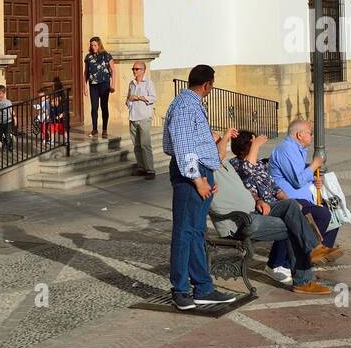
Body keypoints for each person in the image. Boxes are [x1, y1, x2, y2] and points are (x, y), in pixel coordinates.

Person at [211, 135, 331, 296]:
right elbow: (244, 168)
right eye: (216, 139)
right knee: (293, 224)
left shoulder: (225, 164)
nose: (221, 140)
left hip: (255, 210)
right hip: (240, 220)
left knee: (291, 206)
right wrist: (231, 138)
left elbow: (246, 189)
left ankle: (314, 249)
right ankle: (304, 279)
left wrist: (258, 200)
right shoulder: (209, 165)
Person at [162, 64, 238, 311]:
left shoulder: (192, 104)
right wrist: (198, 179)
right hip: (190, 176)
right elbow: (183, 147)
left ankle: (203, 288)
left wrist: (207, 175)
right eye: (212, 84)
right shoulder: (185, 106)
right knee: (184, 232)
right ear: (207, 84)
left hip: (201, 172)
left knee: (195, 232)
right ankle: (181, 289)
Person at [269, 118, 340, 252]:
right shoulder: (286, 149)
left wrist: (313, 179)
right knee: (321, 214)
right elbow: (298, 180)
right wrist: (315, 164)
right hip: (287, 199)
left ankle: (324, 248)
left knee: (332, 209)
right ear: (299, 134)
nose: (312, 136)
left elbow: (299, 175)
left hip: (303, 197)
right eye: (310, 133)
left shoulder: (297, 149)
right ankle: (310, 250)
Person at [125, 60, 157, 178]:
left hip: (144, 116)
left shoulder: (148, 83)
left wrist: (139, 97)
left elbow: (153, 98)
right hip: (133, 116)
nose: (134, 71)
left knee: (145, 144)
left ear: (143, 70)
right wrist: (130, 100)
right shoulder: (131, 83)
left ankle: (150, 170)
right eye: (133, 69)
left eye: (137, 69)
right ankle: (141, 167)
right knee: (137, 144)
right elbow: (128, 100)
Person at [84, 36, 115, 138]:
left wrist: (113, 84)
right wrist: (85, 86)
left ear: (99, 45)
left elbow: (113, 70)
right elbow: (86, 72)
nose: (93, 47)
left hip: (104, 84)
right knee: (94, 107)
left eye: (95, 45)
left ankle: (105, 129)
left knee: (104, 106)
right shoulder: (88, 57)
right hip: (93, 85)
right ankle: (94, 129)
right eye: (92, 45)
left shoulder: (106, 55)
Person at [0, 84, 15, 152]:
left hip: (8, 121)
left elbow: (11, 111)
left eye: (0, 94)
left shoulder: (7, 102)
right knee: (0, 136)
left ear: (4, 93)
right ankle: (5, 144)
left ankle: (9, 146)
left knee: (7, 135)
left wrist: (15, 118)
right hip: (0, 122)